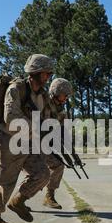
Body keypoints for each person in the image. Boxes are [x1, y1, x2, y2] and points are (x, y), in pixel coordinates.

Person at [0, 54, 53, 223]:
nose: (48, 77)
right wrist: (35, 127)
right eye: (45, 73)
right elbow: (11, 118)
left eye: (49, 74)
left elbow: (45, 118)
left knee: (43, 174)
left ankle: (18, 201)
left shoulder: (43, 95)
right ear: (35, 72)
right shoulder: (16, 89)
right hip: (9, 139)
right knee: (7, 182)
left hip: (28, 142)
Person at [43, 78, 73, 209]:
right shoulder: (42, 103)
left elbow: (63, 129)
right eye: (64, 94)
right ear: (56, 92)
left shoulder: (60, 108)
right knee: (36, 175)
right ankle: (19, 200)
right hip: (29, 144)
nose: (66, 97)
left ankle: (49, 196)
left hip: (45, 145)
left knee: (58, 166)